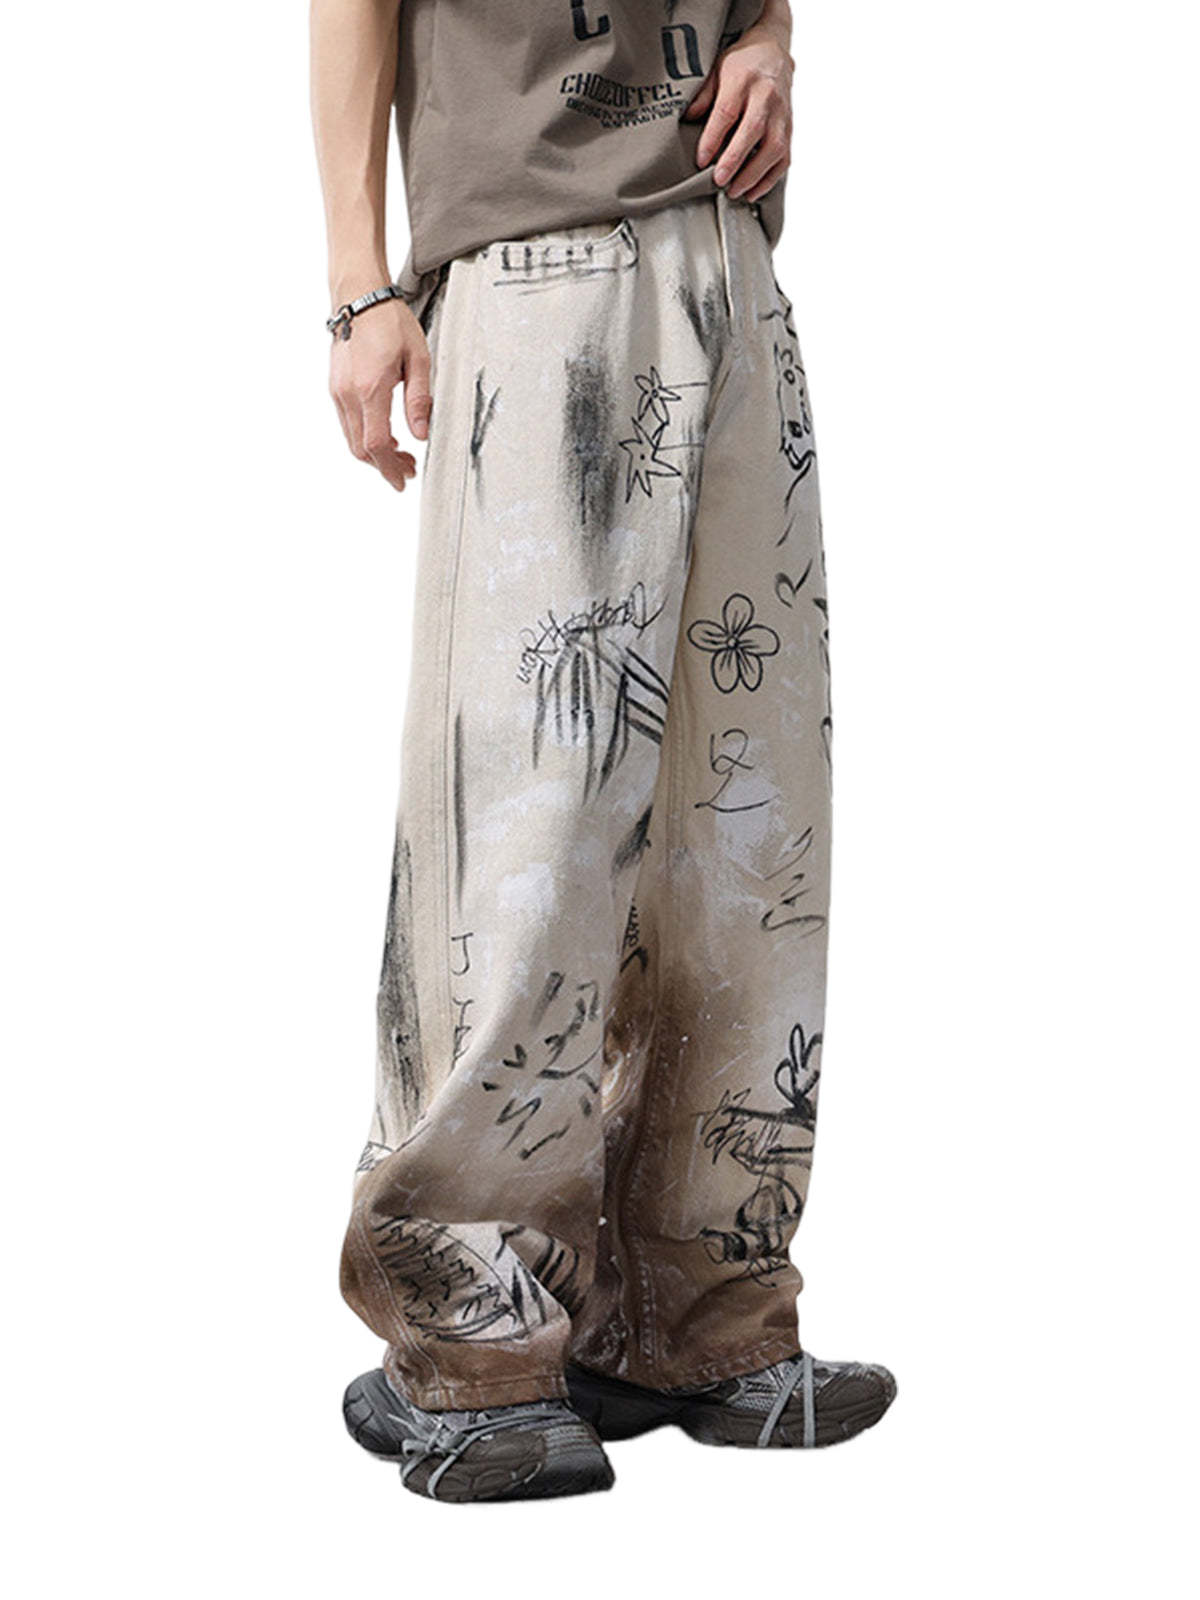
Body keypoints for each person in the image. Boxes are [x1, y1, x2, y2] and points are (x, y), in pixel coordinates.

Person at [311, 0, 895, 1503]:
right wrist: (361, 289)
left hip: (727, 254)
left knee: (745, 832)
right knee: (530, 826)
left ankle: (697, 1316)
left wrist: (772, 46)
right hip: (534, 257)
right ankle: (469, 1338)